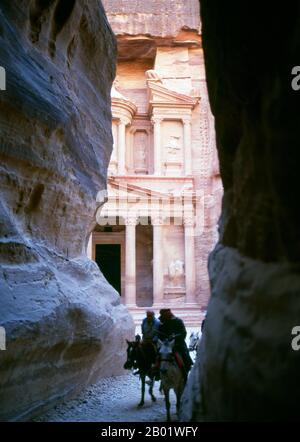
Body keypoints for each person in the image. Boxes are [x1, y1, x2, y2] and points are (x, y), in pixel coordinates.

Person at [157, 308, 193, 380]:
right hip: (166, 345)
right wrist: (165, 339)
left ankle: (185, 373)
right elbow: (159, 334)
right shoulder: (162, 322)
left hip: (178, 344)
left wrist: (175, 336)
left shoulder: (178, 321)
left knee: (185, 357)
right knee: (158, 355)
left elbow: (183, 333)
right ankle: (155, 373)